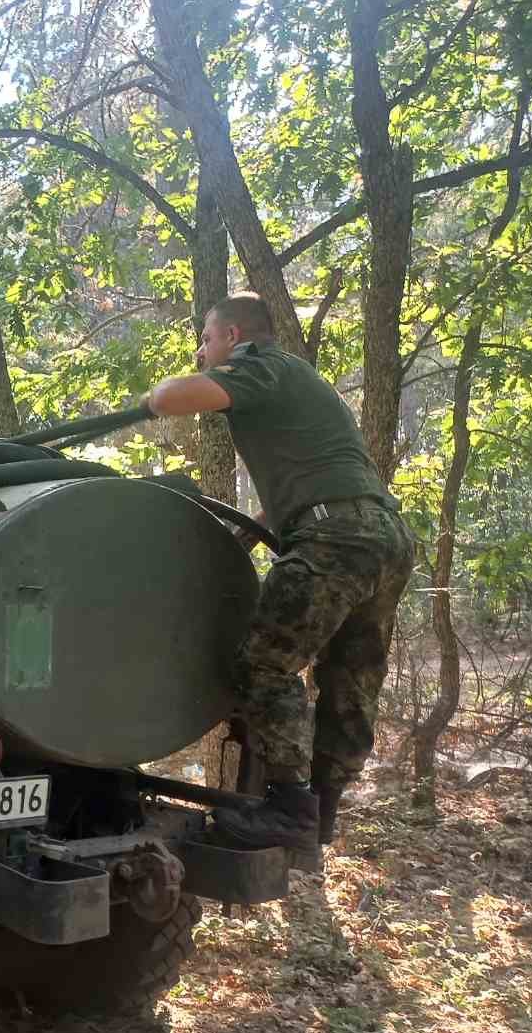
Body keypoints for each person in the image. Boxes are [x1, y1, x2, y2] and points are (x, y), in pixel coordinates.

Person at [135, 292, 415, 849]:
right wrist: (248, 530)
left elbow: (170, 400)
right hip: (383, 536)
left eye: (207, 339)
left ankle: (289, 807)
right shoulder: (297, 379)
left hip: (335, 538)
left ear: (233, 336)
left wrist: (159, 391)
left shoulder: (259, 365)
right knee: (349, 678)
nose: (201, 350)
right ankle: (322, 812)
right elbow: (311, 483)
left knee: (263, 663)